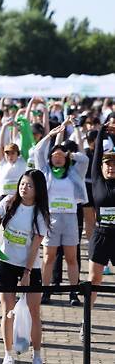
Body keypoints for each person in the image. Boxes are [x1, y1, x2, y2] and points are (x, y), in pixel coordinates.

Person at [0, 169, 49, 364]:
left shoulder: (40, 214)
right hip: (5, 263)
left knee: (34, 311)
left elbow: (35, 248)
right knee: (7, 310)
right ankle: (8, 354)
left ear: (38, 190)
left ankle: (37, 355)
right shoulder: (9, 202)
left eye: (29, 185)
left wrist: (27, 272)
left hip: (30, 266)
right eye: (22, 183)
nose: (24, 188)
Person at [33, 120, 88, 306]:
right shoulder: (45, 172)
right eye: (54, 155)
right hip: (52, 218)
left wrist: (69, 152)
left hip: (70, 218)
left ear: (65, 158)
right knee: (49, 257)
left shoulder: (74, 172)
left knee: (72, 258)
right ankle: (46, 292)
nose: (57, 158)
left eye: (60, 155)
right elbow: (37, 151)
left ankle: (74, 293)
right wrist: (49, 136)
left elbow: (85, 159)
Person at [83, 122, 115, 341]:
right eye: (107, 164)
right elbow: (96, 157)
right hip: (101, 234)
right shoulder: (96, 180)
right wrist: (103, 131)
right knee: (94, 281)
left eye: (114, 164)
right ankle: (86, 323)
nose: (111, 167)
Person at [0, 119, 27, 200]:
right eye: (7, 153)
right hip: (4, 197)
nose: (10, 156)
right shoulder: (2, 163)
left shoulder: (22, 161)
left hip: (18, 197)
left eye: (13, 153)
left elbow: (25, 143)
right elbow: (0, 144)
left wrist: (20, 128)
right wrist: (4, 126)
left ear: (18, 154)